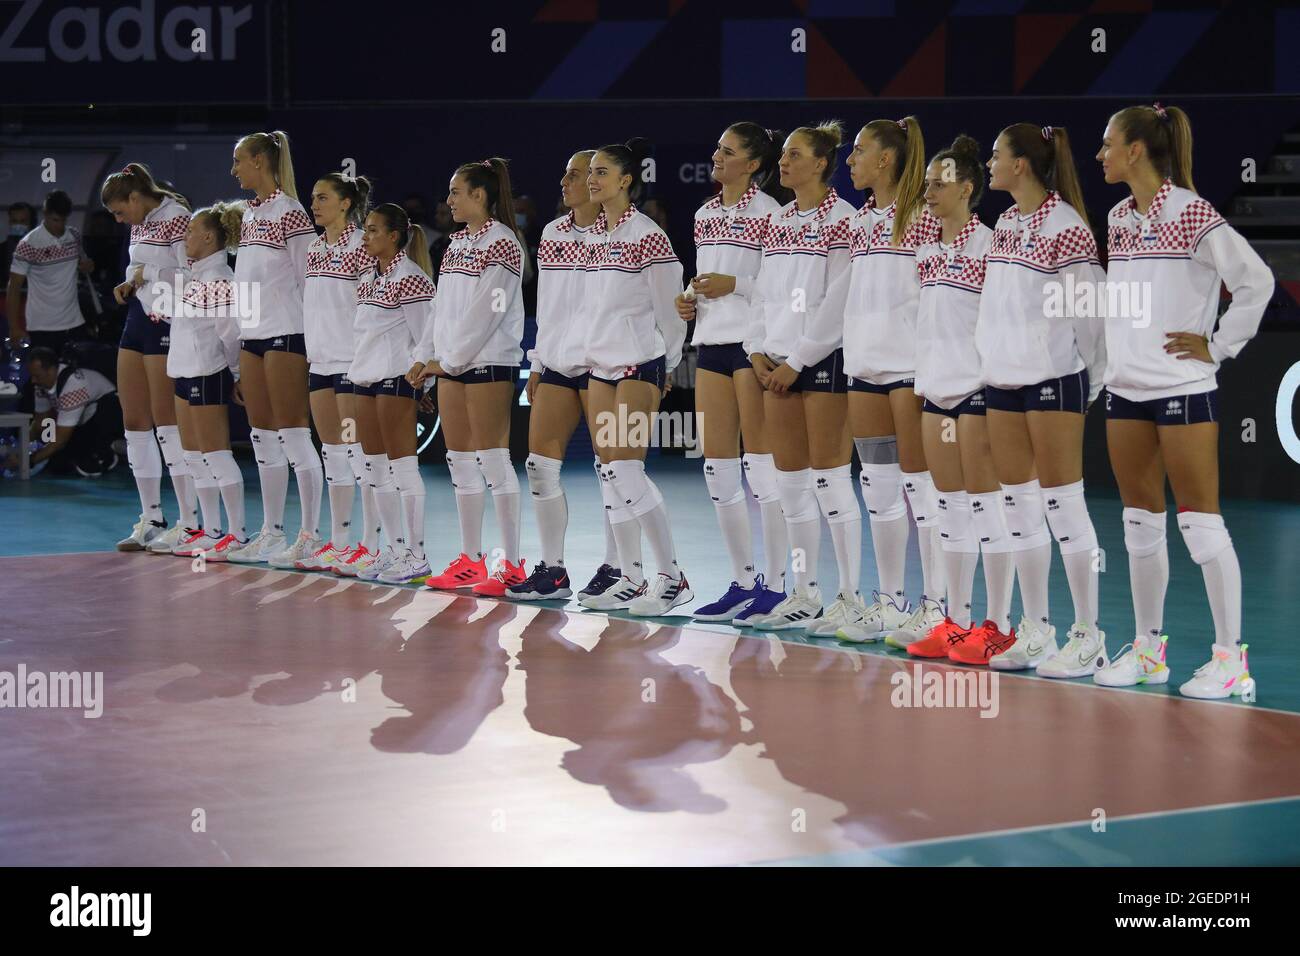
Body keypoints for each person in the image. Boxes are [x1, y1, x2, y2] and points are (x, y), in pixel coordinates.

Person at [1093, 103, 1273, 699]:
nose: (1100, 155)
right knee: (1139, 527)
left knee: (1200, 524)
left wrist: (1217, 346)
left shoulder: (1192, 213)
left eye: (1108, 144)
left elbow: (1256, 281)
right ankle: (1149, 652)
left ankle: (1231, 661)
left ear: (1135, 151)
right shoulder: (1118, 216)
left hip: (1182, 390)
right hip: (1126, 390)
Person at [976, 123, 1108, 678]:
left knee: (1064, 507)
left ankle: (1089, 635)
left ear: (1021, 164)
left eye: (996, 155)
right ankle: (1036, 629)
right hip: (1002, 381)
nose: (988, 164)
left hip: (1055, 379)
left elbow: (1090, 312)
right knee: (1018, 507)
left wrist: (1092, 379)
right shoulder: (1006, 223)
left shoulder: (1067, 226)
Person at [900, 136, 1020, 665]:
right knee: (948, 509)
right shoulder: (926, 248)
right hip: (935, 391)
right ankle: (955, 623)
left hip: (976, 393)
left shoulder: (991, 247)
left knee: (987, 509)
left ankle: (999, 626)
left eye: (939, 183)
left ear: (967, 188)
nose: (928, 192)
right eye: (926, 183)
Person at [742, 122, 856, 631]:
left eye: (794, 155)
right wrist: (756, 349)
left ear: (820, 164)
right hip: (776, 364)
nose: (783, 162)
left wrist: (799, 361)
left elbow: (837, 302)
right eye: (783, 155)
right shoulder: (778, 221)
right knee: (790, 487)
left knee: (830, 483)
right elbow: (764, 294)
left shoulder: (844, 220)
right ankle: (805, 594)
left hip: (822, 362)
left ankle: (850, 597)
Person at [676, 122, 789, 624]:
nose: (717, 156)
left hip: (751, 348)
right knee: (718, 472)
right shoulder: (703, 214)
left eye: (728, 150)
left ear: (753, 164)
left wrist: (735, 284)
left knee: (762, 472)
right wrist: (688, 297)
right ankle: (742, 584)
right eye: (717, 148)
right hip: (710, 346)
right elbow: (706, 277)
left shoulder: (771, 214)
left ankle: (777, 586)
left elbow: (779, 284)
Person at [576, 138, 693, 616]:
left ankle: (672, 577)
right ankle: (630, 576)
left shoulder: (648, 235)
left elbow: (671, 308)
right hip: (601, 366)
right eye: (591, 172)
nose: (592, 179)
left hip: (638, 364)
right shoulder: (591, 237)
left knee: (626, 469)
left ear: (626, 180)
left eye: (601, 172)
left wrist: (667, 363)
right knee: (609, 472)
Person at [507, 149, 620, 602]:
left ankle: (617, 568)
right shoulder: (552, 232)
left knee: (614, 471)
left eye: (576, 175)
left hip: (604, 365)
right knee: (539, 467)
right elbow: (548, 305)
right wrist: (538, 361)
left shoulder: (620, 232)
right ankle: (554, 571)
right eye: (566, 174)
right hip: (556, 364)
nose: (565, 182)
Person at [410, 159, 526, 595]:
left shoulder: (504, 243)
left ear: (479, 195)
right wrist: (425, 356)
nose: (449, 200)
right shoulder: (456, 244)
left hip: (488, 362)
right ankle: (471, 561)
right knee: (459, 462)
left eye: (456, 192)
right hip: (451, 366)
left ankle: (511, 565)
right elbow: (439, 309)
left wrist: (449, 360)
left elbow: (488, 312)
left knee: (494, 462)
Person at [223, 131, 323, 568]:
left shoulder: (291, 212)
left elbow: (308, 279)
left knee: (294, 435)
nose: (234, 170)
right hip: (253, 338)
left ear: (260, 162)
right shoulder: (249, 213)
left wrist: (314, 341)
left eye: (238, 161)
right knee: (262, 439)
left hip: (286, 334)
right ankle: (271, 532)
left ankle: (311, 537)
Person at [101, 165, 196, 552]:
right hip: (137, 320)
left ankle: (190, 523)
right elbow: (138, 266)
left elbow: (191, 274)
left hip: (166, 322)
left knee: (167, 423)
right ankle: (152, 519)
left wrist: (147, 273)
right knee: (134, 422)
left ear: (135, 197)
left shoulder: (178, 217)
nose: (119, 220)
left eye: (120, 211)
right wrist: (130, 280)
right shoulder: (139, 223)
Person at [149, 202, 248, 559]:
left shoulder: (220, 277)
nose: (185, 236)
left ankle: (237, 534)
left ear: (208, 237)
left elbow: (230, 333)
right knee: (193, 456)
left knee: (216, 455)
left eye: (191, 230)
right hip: (183, 371)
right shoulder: (194, 275)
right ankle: (211, 531)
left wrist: (236, 373)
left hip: (208, 372)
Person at [348, 204, 436, 584]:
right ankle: (395, 550)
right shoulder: (367, 277)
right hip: (365, 379)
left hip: (396, 380)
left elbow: (426, 336)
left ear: (394, 236)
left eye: (372, 230)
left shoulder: (412, 278)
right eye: (365, 230)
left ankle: (417, 556)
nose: (365, 237)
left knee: (403, 468)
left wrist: (423, 383)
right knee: (374, 469)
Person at [295, 172, 377, 574]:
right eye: (313, 198)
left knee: (358, 456)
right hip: (321, 364)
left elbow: (371, 306)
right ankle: (340, 543)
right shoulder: (313, 247)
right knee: (333, 456)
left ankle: (371, 546)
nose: (314, 204)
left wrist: (364, 359)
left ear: (345, 203)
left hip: (350, 365)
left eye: (323, 198)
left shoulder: (362, 245)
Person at [5, 346, 119, 477]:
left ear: (51, 370)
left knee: (85, 464)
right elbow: (41, 422)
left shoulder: (74, 386)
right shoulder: (41, 386)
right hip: (81, 422)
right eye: (32, 376)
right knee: (56, 464)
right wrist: (20, 450)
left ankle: (108, 448)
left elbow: (60, 440)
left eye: (37, 376)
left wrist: (27, 461)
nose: (33, 381)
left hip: (108, 414)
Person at [5, 190, 93, 352]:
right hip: (41, 327)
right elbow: (14, 287)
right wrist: (14, 327)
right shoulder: (28, 244)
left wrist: (87, 266)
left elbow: (84, 263)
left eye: (63, 220)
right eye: (55, 220)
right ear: (45, 214)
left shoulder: (74, 235)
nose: (59, 225)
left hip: (74, 322)